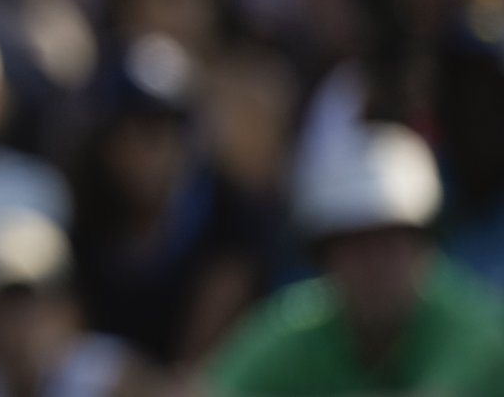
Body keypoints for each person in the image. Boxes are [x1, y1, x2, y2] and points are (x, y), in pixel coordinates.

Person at [208, 120, 504, 396]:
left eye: (389, 243)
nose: (374, 265)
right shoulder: (300, 322)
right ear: (325, 258)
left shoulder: (477, 329)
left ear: (425, 246)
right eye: (356, 247)